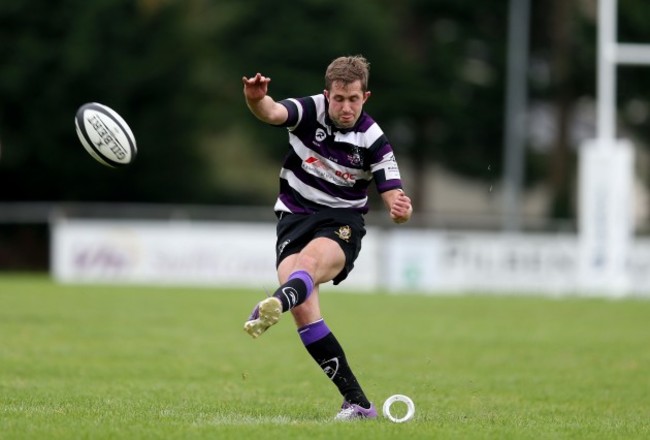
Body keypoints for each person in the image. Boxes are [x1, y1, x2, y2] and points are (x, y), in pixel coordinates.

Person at [241, 55, 413, 421]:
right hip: (293, 218)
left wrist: (402, 210)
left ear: (365, 96)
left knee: (307, 267)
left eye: (353, 99)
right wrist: (255, 98)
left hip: (341, 222)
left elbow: (395, 197)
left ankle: (275, 302)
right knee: (304, 309)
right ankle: (358, 404)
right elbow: (271, 113)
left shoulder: (374, 140)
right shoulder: (310, 111)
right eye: (339, 98)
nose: (345, 107)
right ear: (327, 94)